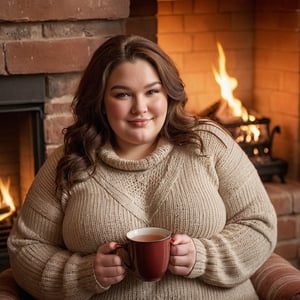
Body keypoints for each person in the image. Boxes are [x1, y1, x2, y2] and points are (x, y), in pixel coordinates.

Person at [7, 34, 277, 299]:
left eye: (152, 92)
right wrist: (84, 273)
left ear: (168, 94)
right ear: (100, 101)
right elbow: (25, 249)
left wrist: (204, 256)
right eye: (123, 95)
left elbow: (259, 224)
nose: (140, 108)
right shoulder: (69, 161)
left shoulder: (208, 143)